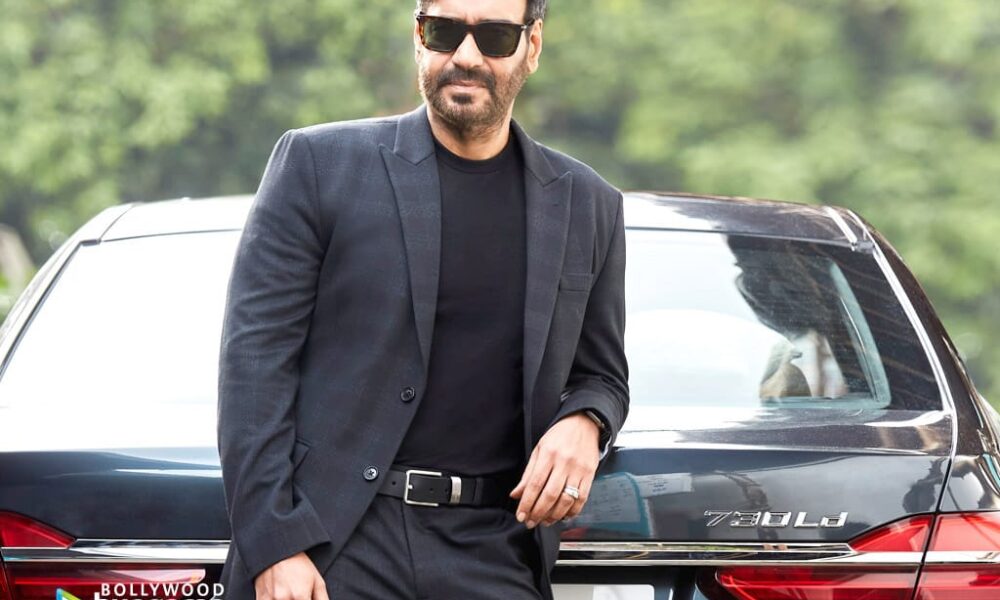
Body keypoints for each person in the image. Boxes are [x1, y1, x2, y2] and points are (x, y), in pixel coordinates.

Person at [216, 0, 629, 598]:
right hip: (335, 546)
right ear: (418, 37)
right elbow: (254, 367)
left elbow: (603, 375)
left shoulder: (589, 204)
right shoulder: (317, 165)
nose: (466, 56)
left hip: (496, 550)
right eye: (444, 32)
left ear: (532, 46)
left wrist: (586, 422)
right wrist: (276, 544)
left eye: (494, 36)